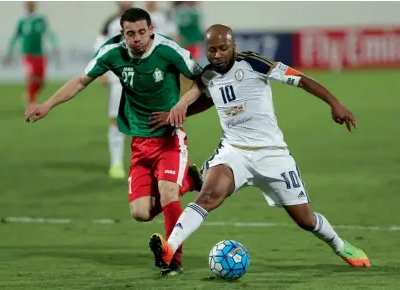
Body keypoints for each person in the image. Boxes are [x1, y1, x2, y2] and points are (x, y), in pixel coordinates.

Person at [148, 24, 370, 275]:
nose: (218, 54)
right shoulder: (209, 74)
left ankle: (341, 246)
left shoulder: (254, 64)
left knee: (305, 220)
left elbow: (302, 80)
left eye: (223, 48)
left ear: (234, 46)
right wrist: (178, 114)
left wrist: (335, 103)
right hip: (234, 152)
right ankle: (169, 249)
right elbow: (207, 96)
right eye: (212, 50)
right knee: (208, 197)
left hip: (273, 154)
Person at [24, 7, 204, 276]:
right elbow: (81, 81)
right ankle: (188, 180)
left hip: (169, 138)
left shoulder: (168, 50)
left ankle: (172, 258)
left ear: (151, 30)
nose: (137, 39)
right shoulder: (112, 53)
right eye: (131, 34)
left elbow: (202, 80)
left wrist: (179, 107)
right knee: (141, 213)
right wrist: (48, 104)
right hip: (139, 143)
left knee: (167, 193)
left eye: (142, 32)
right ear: (123, 34)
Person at [94, 1, 134, 179]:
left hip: (142, 80)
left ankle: (147, 163)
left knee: (149, 122)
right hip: (119, 80)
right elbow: (101, 48)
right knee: (117, 120)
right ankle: (116, 163)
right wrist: (101, 71)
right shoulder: (110, 24)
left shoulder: (142, 21)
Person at [4, 1, 58, 105]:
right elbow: (15, 37)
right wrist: (9, 52)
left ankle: (30, 95)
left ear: (35, 6)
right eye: (29, 4)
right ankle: (31, 102)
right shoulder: (22, 21)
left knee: (41, 83)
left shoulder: (40, 20)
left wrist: (54, 45)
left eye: (32, 4)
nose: (30, 6)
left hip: (40, 54)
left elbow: (49, 33)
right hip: (27, 54)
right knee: (31, 78)